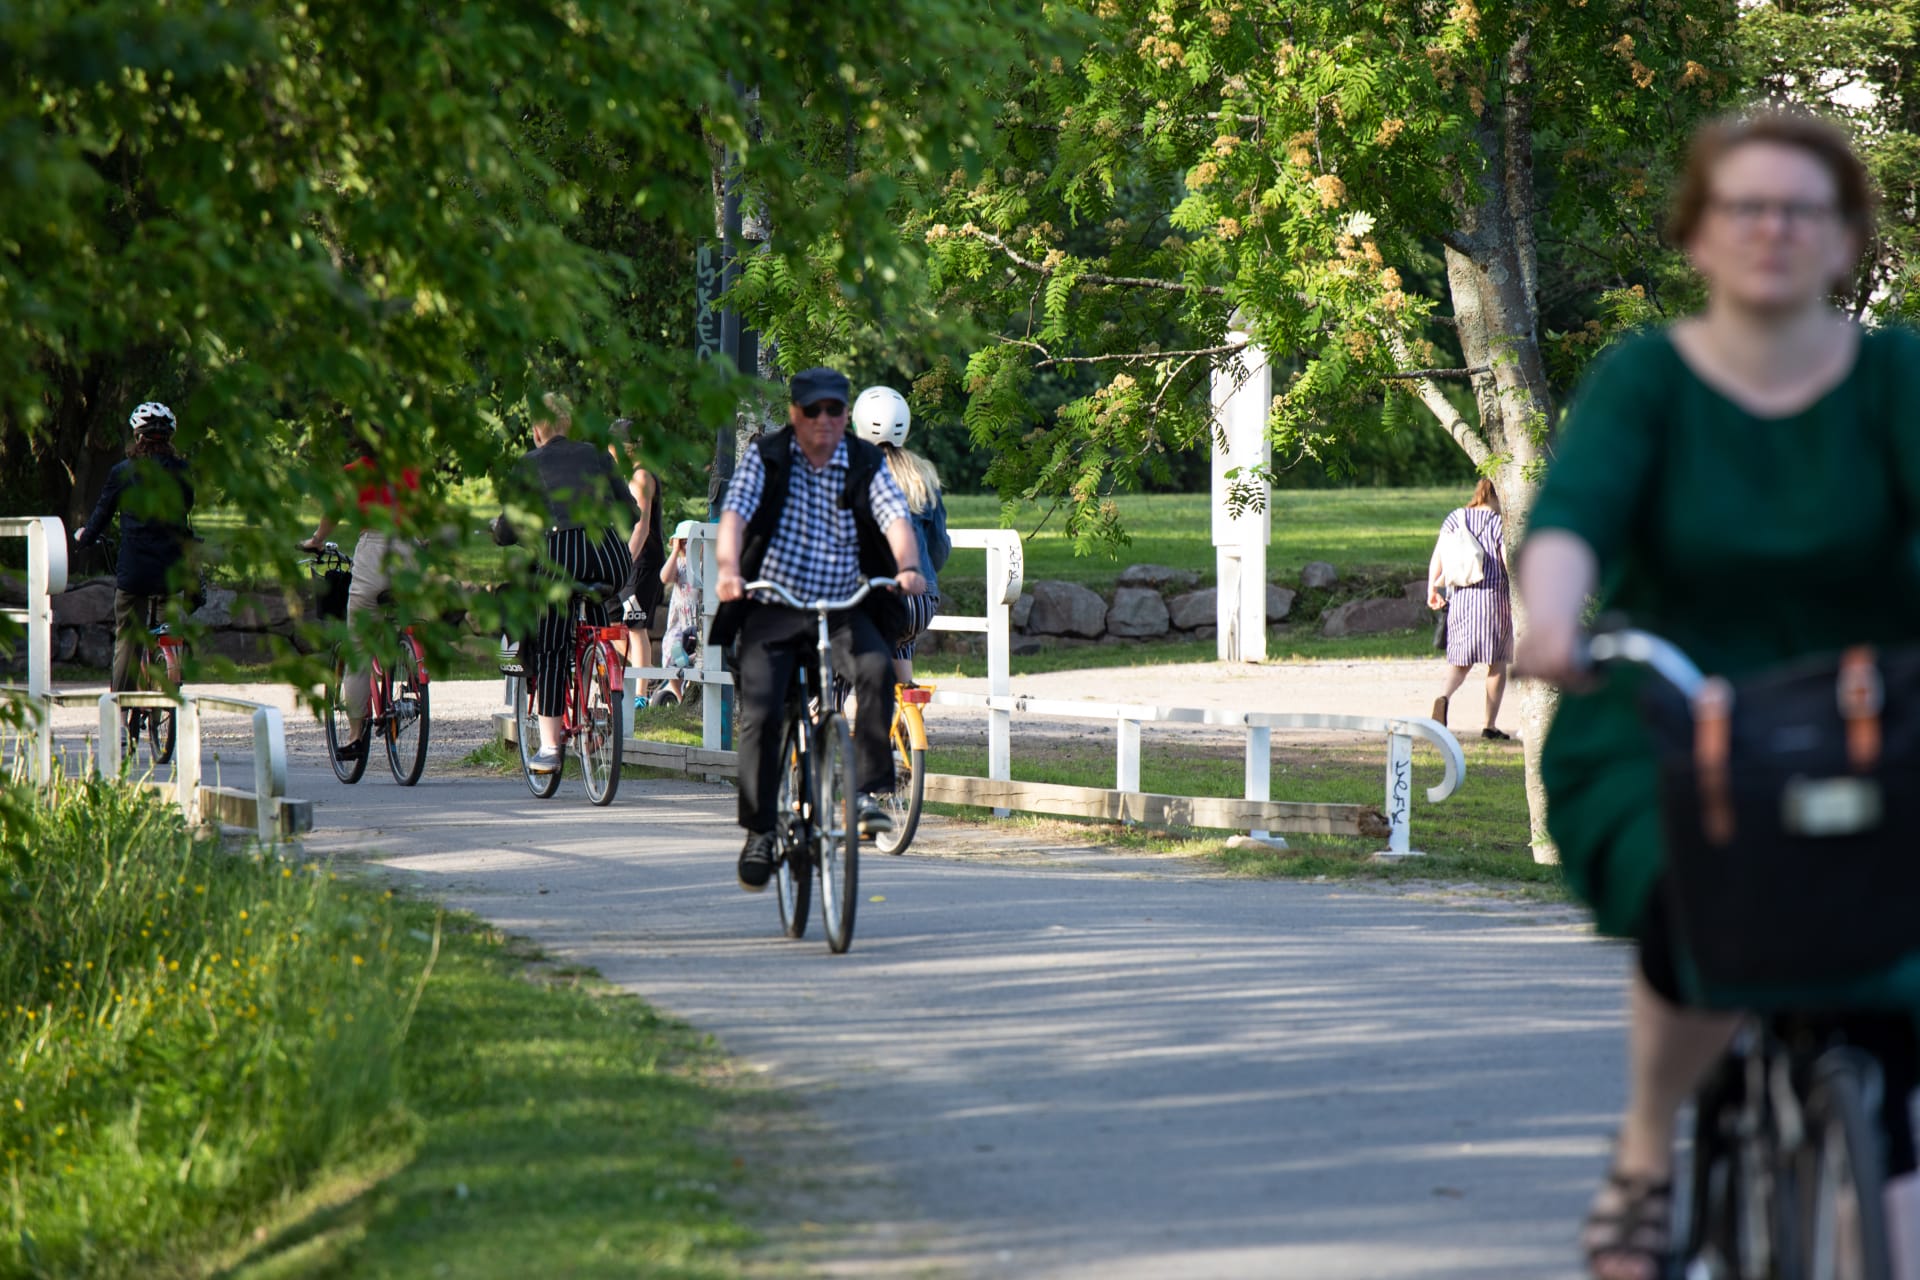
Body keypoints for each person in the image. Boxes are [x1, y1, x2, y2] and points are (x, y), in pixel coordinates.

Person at [1513, 112, 1920, 1280]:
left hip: (1872, 719)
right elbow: (1575, 518)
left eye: (1805, 209)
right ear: (1697, 232)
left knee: (1896, 975)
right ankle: (1647, 1151)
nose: (1774, 230)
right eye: (1747, 206)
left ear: (1847, 240)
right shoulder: (1648, 379)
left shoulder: (1896, 377)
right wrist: (1550, 620)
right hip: (1670, 716)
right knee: (1695, 892)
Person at [711, 366, 927, 891]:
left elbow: (895, 516)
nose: (825, 421)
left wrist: (907, 566)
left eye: (835, 410)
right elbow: (734, 519)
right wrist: (729, 570)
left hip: (845, 602)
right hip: (775, 603)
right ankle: (761, 830)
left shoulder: (865, 461)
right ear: (795, 415)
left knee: (878, 669)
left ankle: (866, 797)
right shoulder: (767, 458)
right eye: (814, 411)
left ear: (845, 415)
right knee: (763, 711)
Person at [492, 393, 645, 774]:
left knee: (552, 644)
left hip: (562, 556)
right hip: (611, 556)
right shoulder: (597, 455)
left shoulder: (529, 463)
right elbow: (631, 510)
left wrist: (503, 534)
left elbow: (509, 525)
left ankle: (549, 747)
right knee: (592, 620)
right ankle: (596, 680)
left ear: (537, 430)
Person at [299, 428, 421, 761]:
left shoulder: (354, 474)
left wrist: (317, 540)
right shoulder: (411, 471)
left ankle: (354, 736)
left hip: (374, 552)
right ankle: (411, 671)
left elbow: (333, 512)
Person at [74, 402, 196, 694]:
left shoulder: (123, 472)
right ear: (169, 438)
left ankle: (119, 708)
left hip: (135, 570)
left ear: (137, 436)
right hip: (171, 569)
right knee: (170, 631)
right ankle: (170, 683)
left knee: (127, 638)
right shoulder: (182, 471)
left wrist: (84, 537)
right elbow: (187, 505)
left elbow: (101, 516)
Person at [851, 385, 951, 685]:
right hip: (922, 603)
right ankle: (909, 716)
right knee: (901, 639)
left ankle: (833, 723)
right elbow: (939, 548)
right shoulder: (923, 474)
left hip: (875, 597)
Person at [1425, 478, 1512, 740]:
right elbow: (1507, 560)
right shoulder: (1499, 522)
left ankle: (1443, 697)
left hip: (1461, 598)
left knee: (1461, 661)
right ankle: (1489, 725)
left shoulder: (1455, 517)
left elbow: (1438, 556)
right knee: (1497, 662)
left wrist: (1432, 589)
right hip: (1494, 599)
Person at [608, 419, 665, 677]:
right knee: (613, 622)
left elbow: (641, 527)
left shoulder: (642, 477)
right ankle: (648, 673)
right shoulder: (628, 476)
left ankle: (642, 689)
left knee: (635, 625)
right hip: (630, 558)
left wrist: (626, 560)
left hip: (641, 559)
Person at [655, 520, 704, 704]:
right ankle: (680, 697)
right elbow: (664, 577)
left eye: (690, 543)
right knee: (674, 660)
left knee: (697, 660)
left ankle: (690, 695)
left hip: (697, 625)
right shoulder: (679, 564)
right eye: (682, 543)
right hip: (679, 625)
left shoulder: (704, 565)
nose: (686, 547)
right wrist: (675, 552)